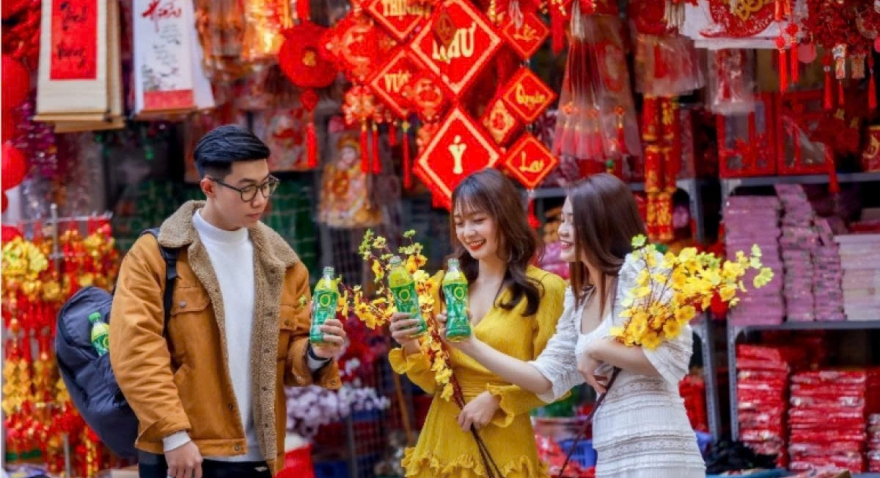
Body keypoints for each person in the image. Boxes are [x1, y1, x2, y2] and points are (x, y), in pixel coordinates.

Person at [110, 125, 345, 478]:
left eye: (266, 184)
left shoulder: (283, 263)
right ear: (209, 187)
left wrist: (317, 353)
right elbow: (136, 349)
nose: (260, 199)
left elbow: (290, 361)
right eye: (246, 188)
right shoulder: (156, 256)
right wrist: (173, 435)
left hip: (258, 455)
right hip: (186, 455)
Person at [446, 174, 705, 478]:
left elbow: (672, 360)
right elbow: (545, 377)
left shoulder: (643, 272)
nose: (562, 231)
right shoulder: (580, 297)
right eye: (563, 220)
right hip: (612, 451)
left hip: (660, 450)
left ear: (603, 224)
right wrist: (471, 345)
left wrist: (596, 348)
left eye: (573, 221)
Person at [388, 168, 567, 477]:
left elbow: (558, 380)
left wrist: (499, 399)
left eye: (478, 220)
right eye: (459, 223)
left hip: (504, 442)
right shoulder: (443, 285)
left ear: (505, 217)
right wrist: (409, 343)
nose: (467, 232)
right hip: (443, 439)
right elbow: (433, 382)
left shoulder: (544, 289)